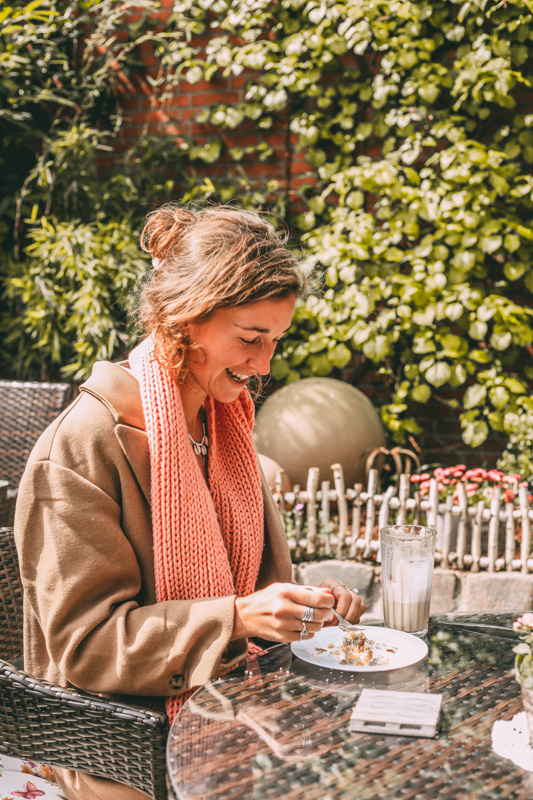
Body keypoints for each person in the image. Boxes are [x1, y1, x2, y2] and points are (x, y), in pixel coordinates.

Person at [14, 203, 366, 800]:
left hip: (234, 698)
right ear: (184, 318)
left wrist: (309, 604)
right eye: (251, 339)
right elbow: (87, 647)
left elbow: (252, 584)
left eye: (275, 340)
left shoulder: (222, 422)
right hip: (119, 740)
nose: (264, 366)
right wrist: (235, 618)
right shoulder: (83, 445)